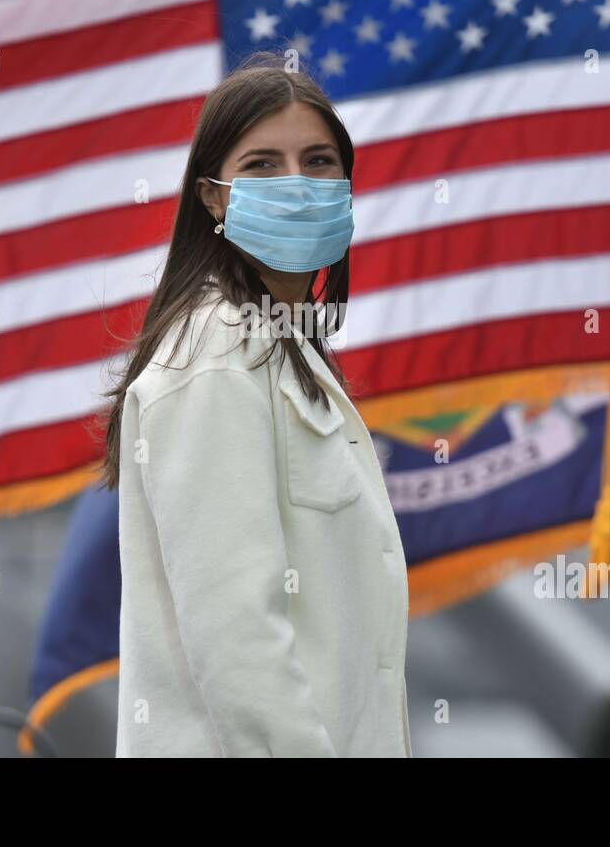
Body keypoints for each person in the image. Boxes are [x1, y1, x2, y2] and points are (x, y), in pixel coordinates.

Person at [98, 52, 411, 757]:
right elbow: (240, 640)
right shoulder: (217, 354)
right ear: (213, 196)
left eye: (320, 160)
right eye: (263, 164)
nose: (297, 184)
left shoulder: (284, 345)